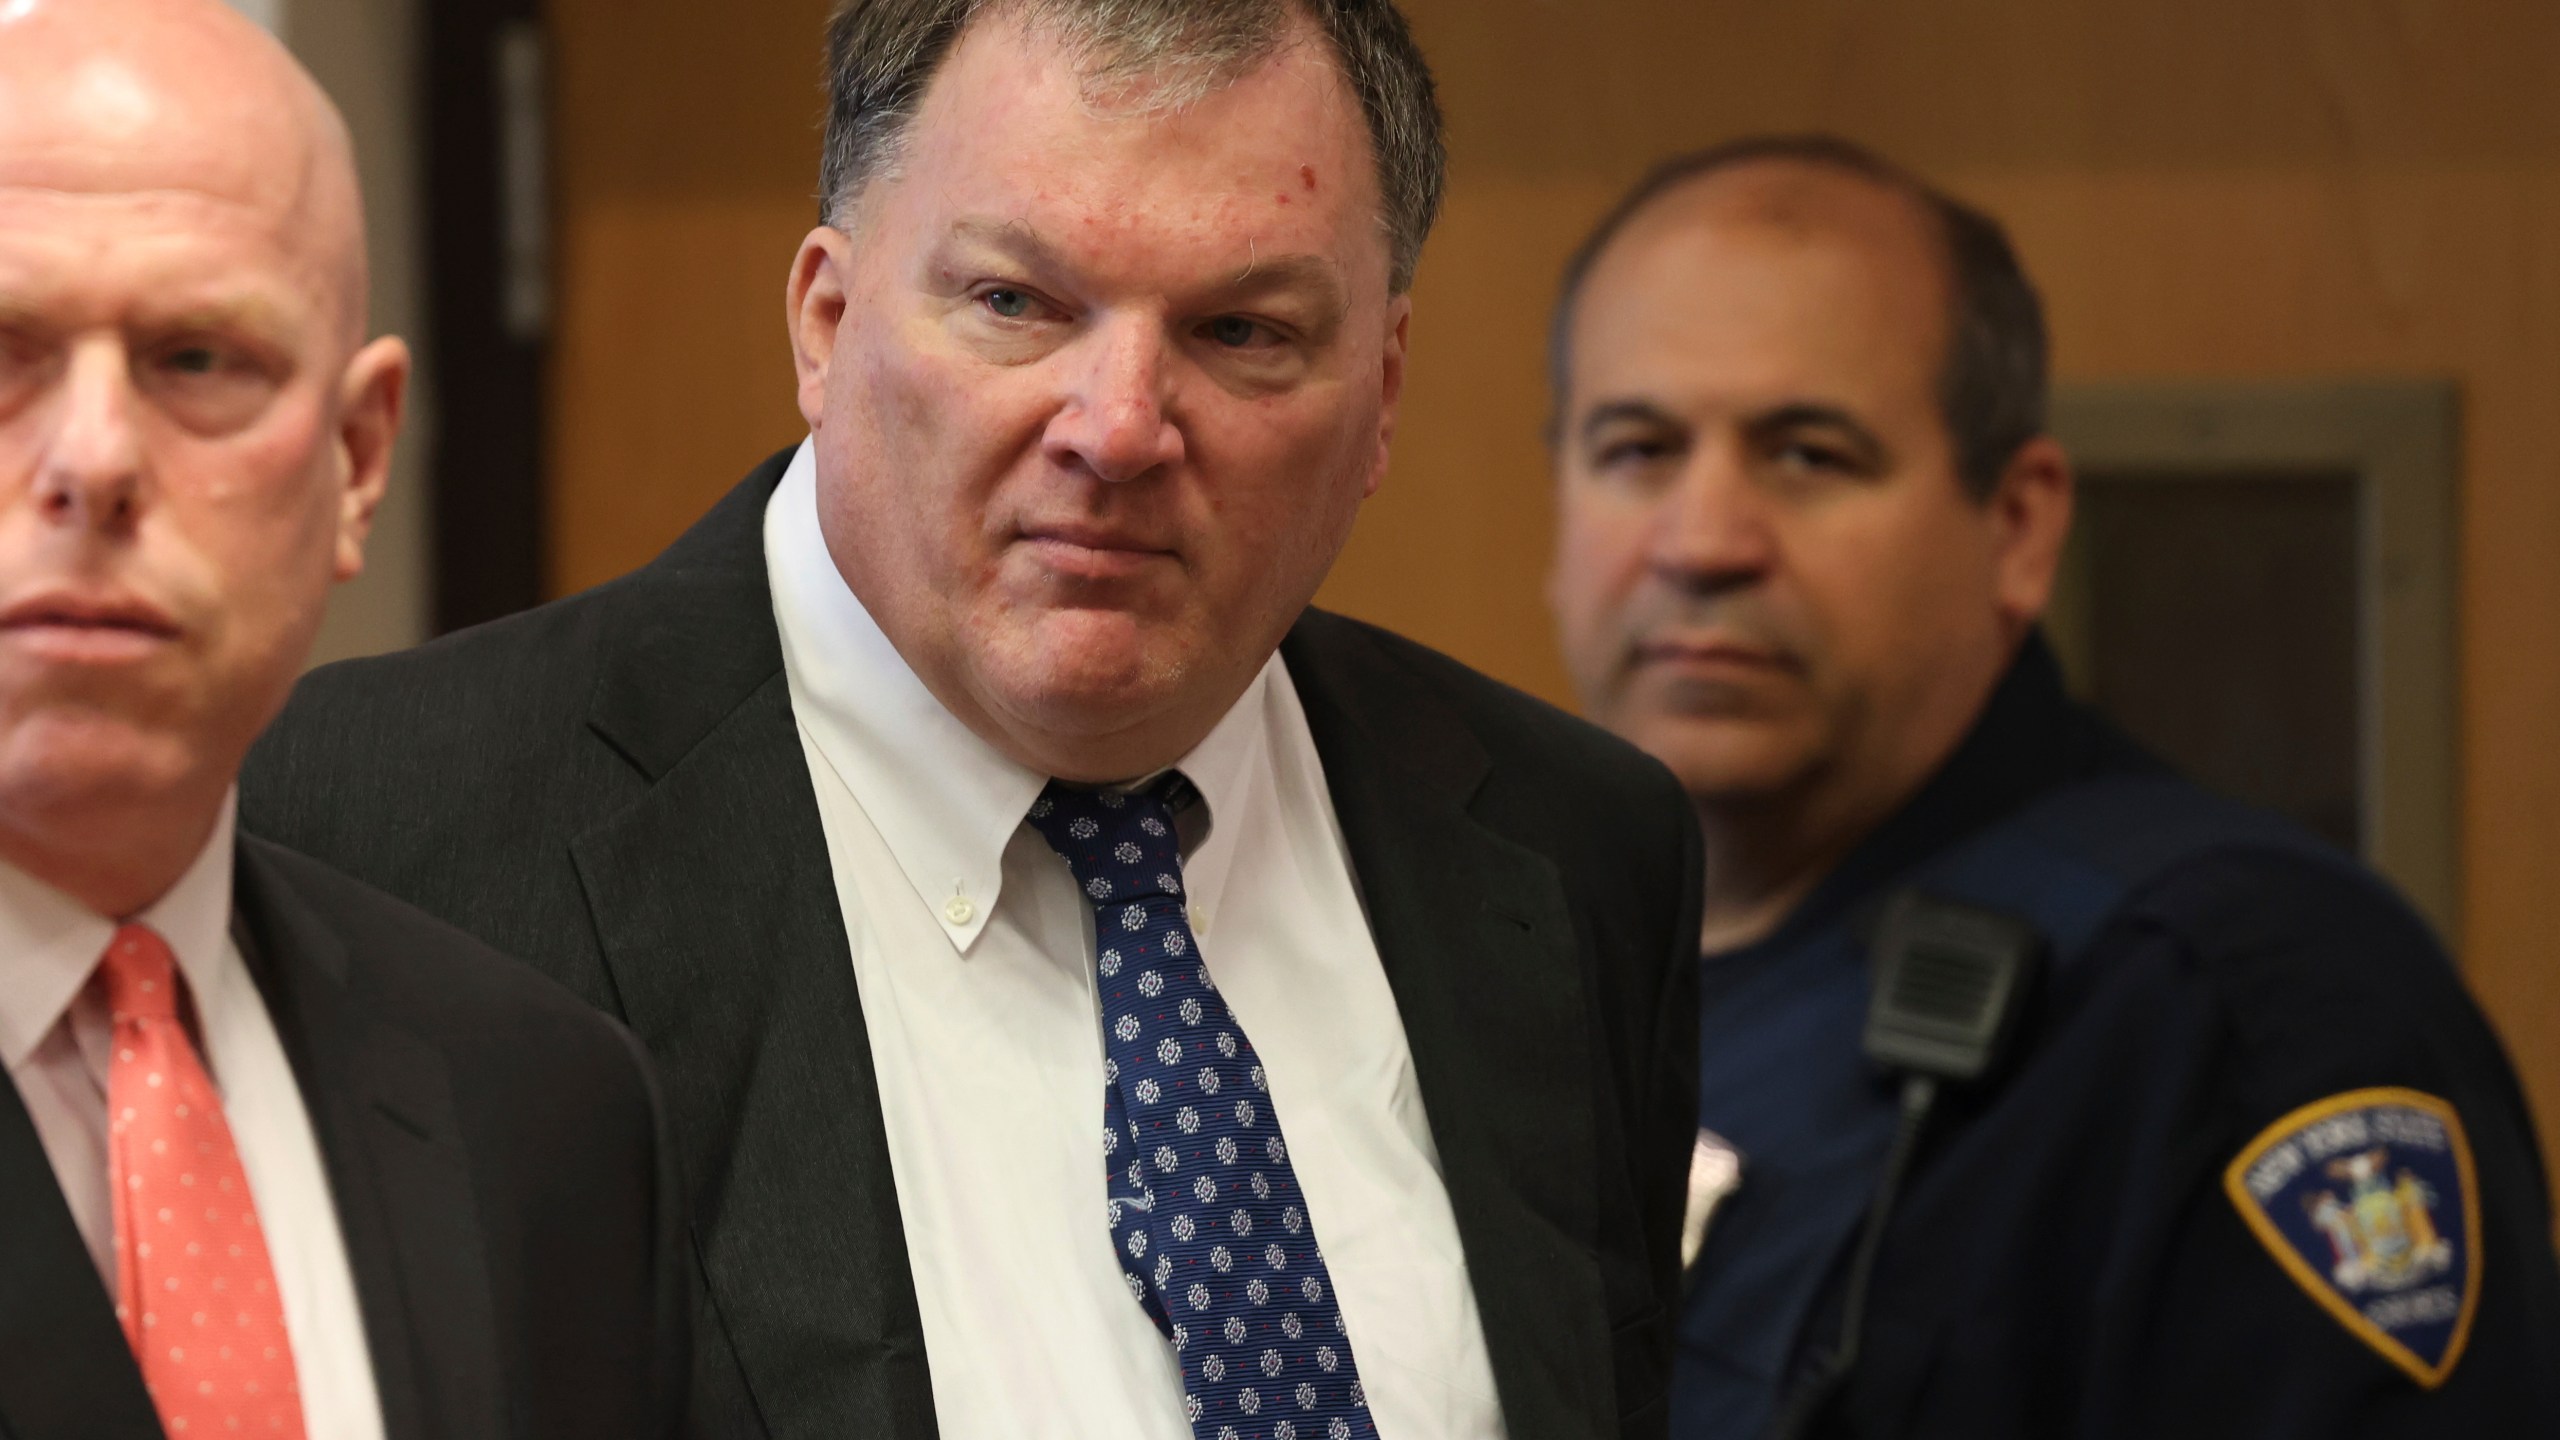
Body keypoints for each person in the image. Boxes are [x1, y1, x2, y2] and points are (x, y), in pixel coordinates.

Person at [240, 2, 1702, 1437]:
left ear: (1380, 392)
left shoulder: (1576, 852)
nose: (1118, 426)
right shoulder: (361, 835)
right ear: (825, 321)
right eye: (1015, 303)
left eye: (1243, 331)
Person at [1544, 135, 2560, 1438]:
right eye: (1636, 449)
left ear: (2016, 526)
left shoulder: (2238, 1005)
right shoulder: (1521, 972)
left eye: (1808, 454)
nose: (1701, 543)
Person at [0, 2, 689, 1436]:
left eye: (199, 361)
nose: (93, 459)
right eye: (1, 348)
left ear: (358, 460)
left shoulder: (545, 1114)